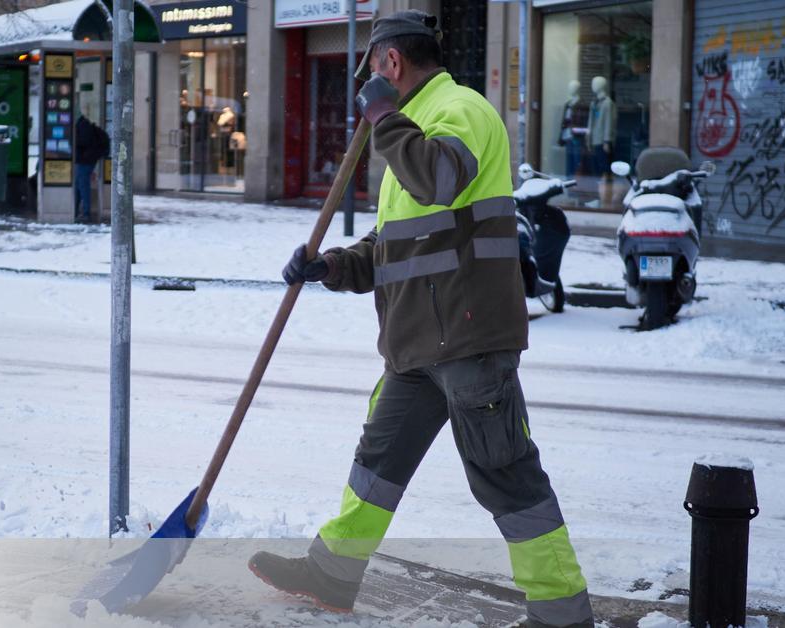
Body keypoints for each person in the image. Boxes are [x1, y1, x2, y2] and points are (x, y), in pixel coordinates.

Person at [247, 11, 593, 628]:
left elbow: (438, 179)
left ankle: (560, 611)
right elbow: (393, 249)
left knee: (504, 473)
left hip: (467, 339)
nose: (368, 88)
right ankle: (333, 572)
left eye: (371, 72)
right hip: (415, 346)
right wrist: (329, 266)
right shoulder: (410, 131)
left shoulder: (459, 110)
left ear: (391, 63)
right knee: (376, 464)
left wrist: (383, 118)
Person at [73, 114, 109, 223]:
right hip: (85, 159)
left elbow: (83, 142)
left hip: (85, 160)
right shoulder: (83, 125)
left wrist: (73, 141)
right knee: (79, 185)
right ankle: (77, 210)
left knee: (83, 185)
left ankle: (86, 213)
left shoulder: (82, 126)